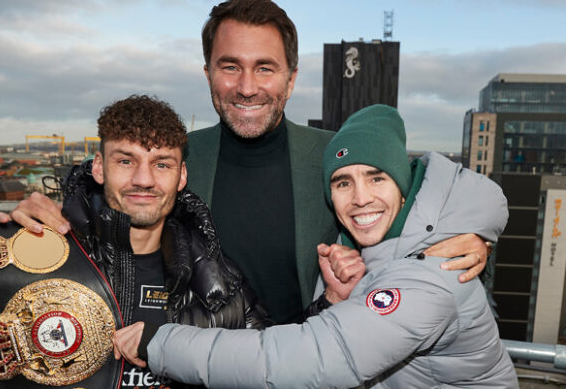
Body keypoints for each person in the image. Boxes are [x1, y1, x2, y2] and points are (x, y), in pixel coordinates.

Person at [0, 0, 489, 325]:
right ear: (209, 73)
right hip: (191, 370)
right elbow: (110, 193)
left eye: (265, 68)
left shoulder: (335, 159)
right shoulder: (175, 158)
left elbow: (416, 205)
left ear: (291, 79)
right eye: (230, 67)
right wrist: (42, 215)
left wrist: (469, 233)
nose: (247, 87)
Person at [141, 104, 518, 388]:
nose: (360, 198)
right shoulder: (372, 248)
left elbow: (314, 357)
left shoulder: (433, 273)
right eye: (342, 183)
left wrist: (160, 343)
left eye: (376, 178)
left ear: (403, 187)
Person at [0, 95, 271, 389]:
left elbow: (267, 364)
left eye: (161, 164)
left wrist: (327, 305)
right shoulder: (32, 249)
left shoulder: (218, 281)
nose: (144, 180)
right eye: (126, 161)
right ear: (100, 168)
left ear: (180, 176)